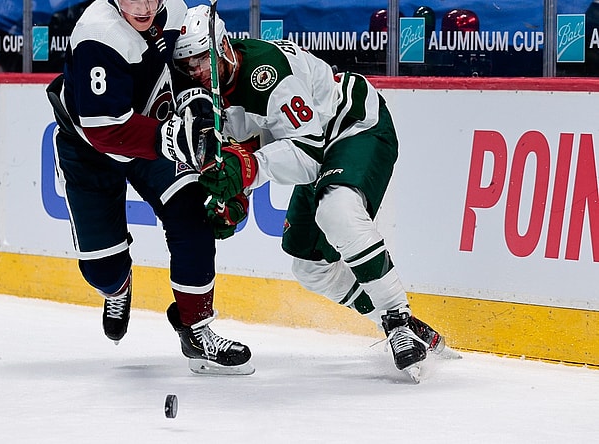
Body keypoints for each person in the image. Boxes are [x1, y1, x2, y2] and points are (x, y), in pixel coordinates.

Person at [172, 5, 450, 381]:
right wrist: (233, 194)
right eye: (187, 65)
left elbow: (307, 154)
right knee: (310, 267)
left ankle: (398, 319)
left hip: (353, 125)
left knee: (337, 212)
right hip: (316, 144)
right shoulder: (205, 93)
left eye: (201, 60)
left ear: (221, 47)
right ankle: (398, 326)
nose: (196, 71)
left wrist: (247, 171)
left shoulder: (264, 72)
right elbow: (248, 145)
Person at [44, 0, 253, 375]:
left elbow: (184, 72)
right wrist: (174, 137)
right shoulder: (97, 34)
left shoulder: (174, 9)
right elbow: (105, 129)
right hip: (91, 149)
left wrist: (197, 110)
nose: (142, 7)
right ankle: (117, 287)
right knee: (102, 271)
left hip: (152, 135)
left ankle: (196, 328)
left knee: (192, 214)